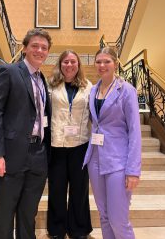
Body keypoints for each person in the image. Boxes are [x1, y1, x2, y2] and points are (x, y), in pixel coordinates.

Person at [0, 28, 52, 239]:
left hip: (38, 156)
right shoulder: (9, 71)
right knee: (3, 214)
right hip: (11, 155)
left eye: (44, 47)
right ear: (25, 48)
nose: (40, 50)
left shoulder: (42, 79)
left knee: (28, 213)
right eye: (35, 46)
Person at [83, 47, 141, 239]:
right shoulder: (93, 90)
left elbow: (134, 131)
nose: (102, 65)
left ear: (115, 63)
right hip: (95, 159)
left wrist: (133, 169)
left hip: (118, 161)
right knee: (105, 216)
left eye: (106, 61)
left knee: (118, 220)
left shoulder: (126, 90)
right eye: (98, 61)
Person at [47, 50, 93, 239]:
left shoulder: (88, 86)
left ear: (78, 64)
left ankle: (79, 229)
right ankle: (57, 229)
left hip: (80, 144)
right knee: (57, 188)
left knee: (79, 189)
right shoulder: (50, 85)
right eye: (65, 61)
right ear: (60, 64)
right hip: (56, 144)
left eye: (73, 61)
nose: (69, 65)